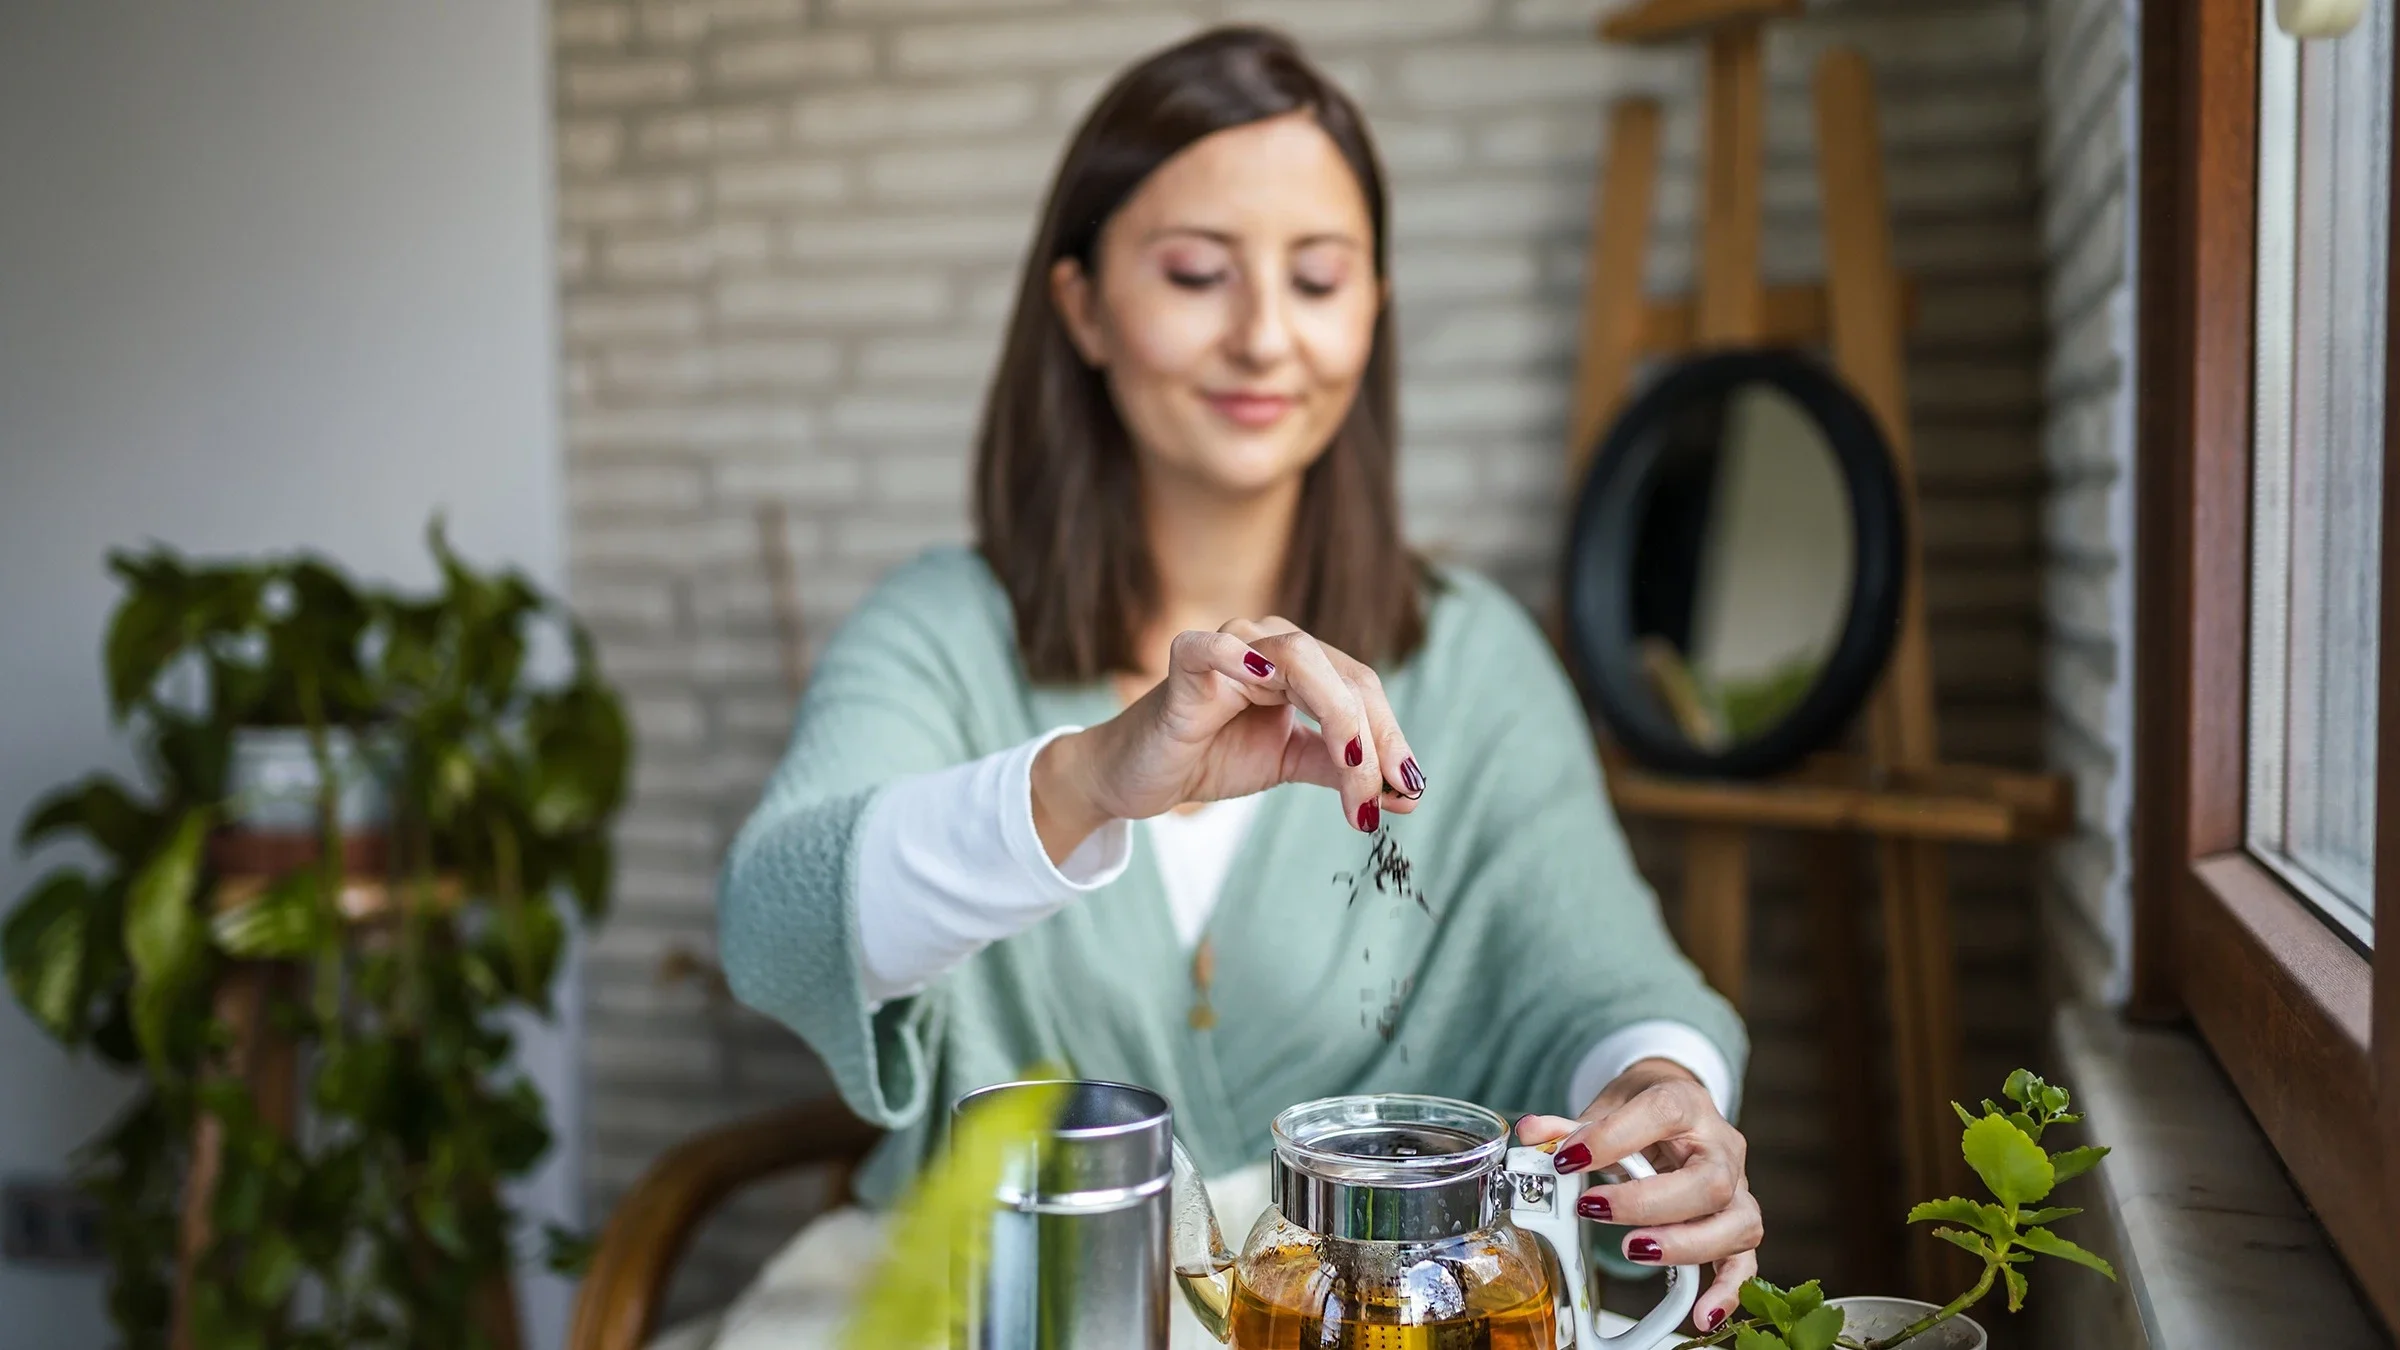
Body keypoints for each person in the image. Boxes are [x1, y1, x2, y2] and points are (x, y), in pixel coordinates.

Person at [717, 24, 1759, 1342]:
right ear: (1084, 306)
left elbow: (1602, 974)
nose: (1267, 336)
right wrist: (1092, 777)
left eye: (1319, 279)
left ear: (1374, 309)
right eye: (1199, 273)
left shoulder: (1477, 657)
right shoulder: (943, 628)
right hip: (984, 1303)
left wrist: (1664, 1091)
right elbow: (773, 917)